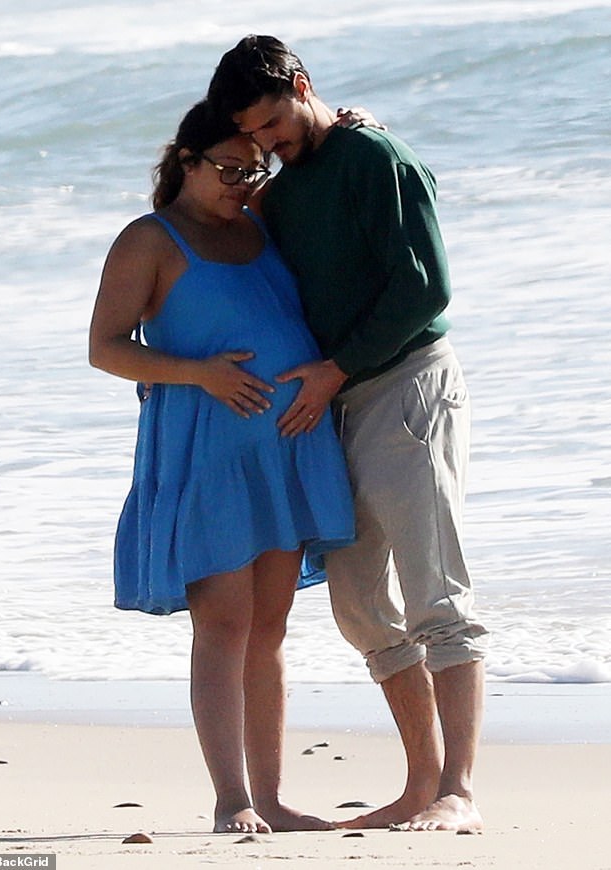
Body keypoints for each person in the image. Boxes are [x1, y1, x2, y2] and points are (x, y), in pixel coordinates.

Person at [207, 35, 490, 834]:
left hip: (406, 383)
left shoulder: (376, 157)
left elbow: (426, 285)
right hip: (338, 405)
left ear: (302, 84)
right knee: (362, 605)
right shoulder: (291, 185)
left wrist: (336, 368)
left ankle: (461, 792)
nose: (267, 144)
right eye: (253, 136)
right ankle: (421, 786)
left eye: (272, 123)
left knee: (437, 593)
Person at [88, 98, 355, 834]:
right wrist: (199, 373)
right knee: (224, 622)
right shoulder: (151, 239)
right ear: (185, 162)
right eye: (229, 169)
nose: (243, 182)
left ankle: (269, 798)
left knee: (269, 626)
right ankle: (230, 799)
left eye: (253, 169)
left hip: (286, 447)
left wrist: (353, 124)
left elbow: (320, 167)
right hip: (206, 450)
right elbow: (106, 348)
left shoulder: (256, 221)